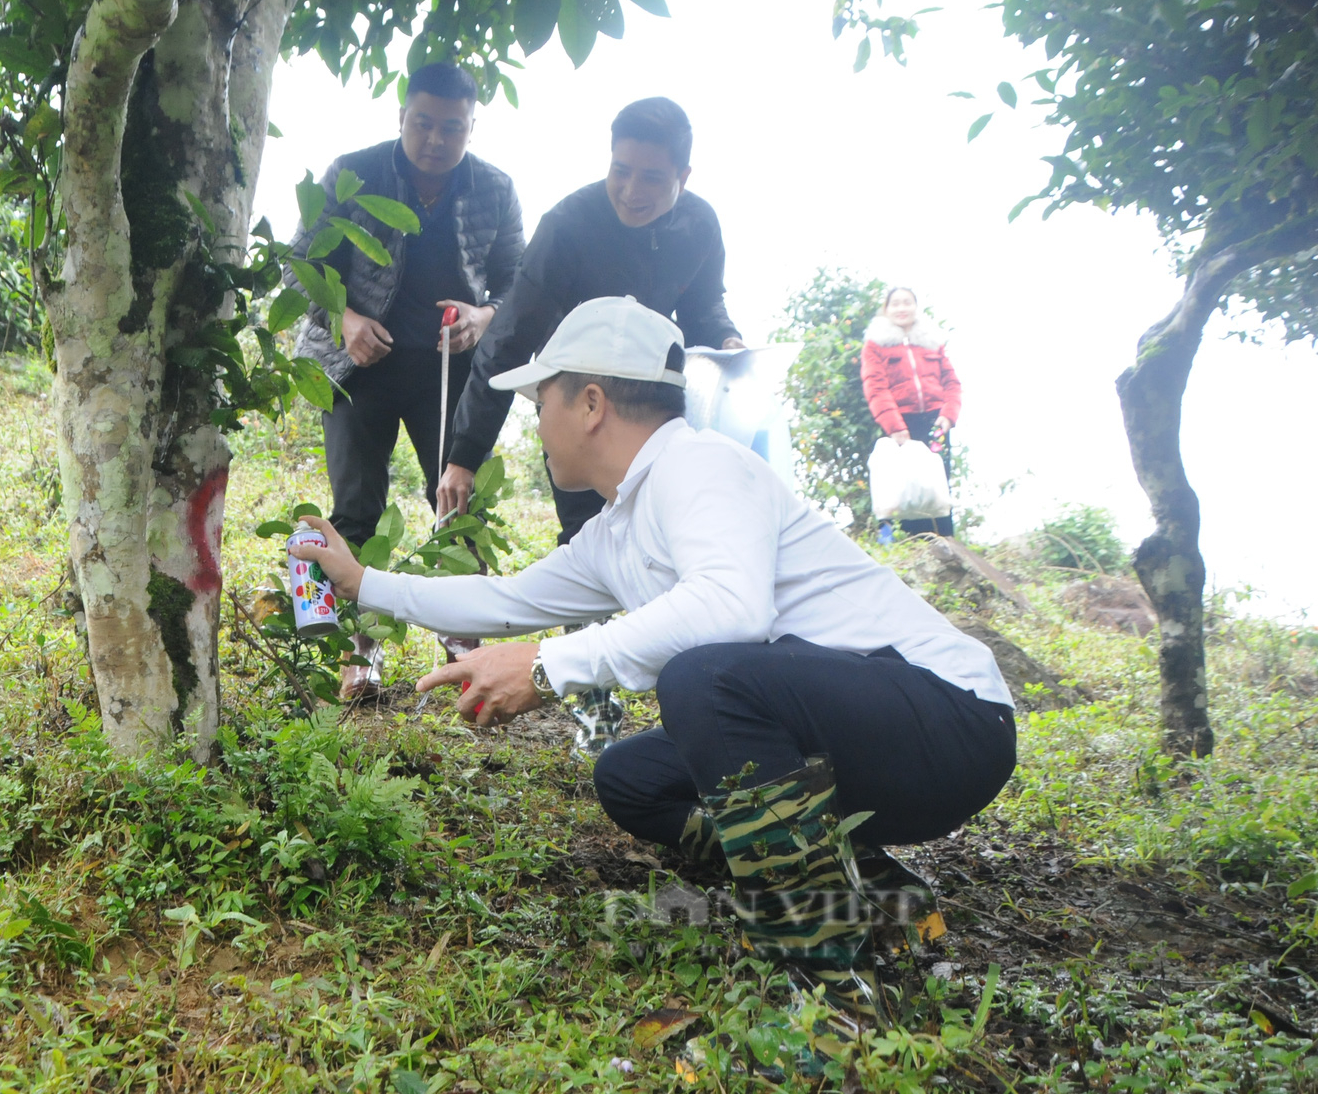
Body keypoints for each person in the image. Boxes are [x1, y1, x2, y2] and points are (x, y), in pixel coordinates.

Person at [291, 297, 1015, 1010]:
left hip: (948, 721)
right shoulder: (620, 526)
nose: (536, 424)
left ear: (591, 403)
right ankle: (866, 889)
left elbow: (730, 609)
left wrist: (547, 667)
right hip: (854, 736)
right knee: (633, 778)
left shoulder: (699, 467)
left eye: (542, 400)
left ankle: (822, 970)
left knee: (703, 678)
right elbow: (507, 600)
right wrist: (364, 584)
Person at [289, 61, 525, 697]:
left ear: (471, 128)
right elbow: (301, 268)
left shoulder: (495, 189)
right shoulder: (352, 172)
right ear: (401, 118)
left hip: (447, 371)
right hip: (355, 368)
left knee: (455, 504)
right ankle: (357, 650)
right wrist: (347, 320)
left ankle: (463, 643)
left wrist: (483, 315)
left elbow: (516, 283)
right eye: (423, 123)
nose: (436, 140)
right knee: (355, 509)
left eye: (453, 128)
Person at [438, 97, 745, 548]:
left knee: (663, 533)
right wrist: (464, 456)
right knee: (588, 538)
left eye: (652, 177)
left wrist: (727, 338)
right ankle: (587, 622)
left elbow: (703, 308)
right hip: (573, 398)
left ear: (683, 177)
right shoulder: (567, 227)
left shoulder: (699, 225)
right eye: (621, 170)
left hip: (650, 404)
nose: (631, 190)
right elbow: (508, 341)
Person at [859, 287, 961, 538]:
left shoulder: (931, 341)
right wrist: (895, 426)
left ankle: (945, 541)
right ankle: (907, 543)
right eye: (895, 304)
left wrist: (948, 415)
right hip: (901, 422)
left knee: (937, 483)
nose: (901, 308)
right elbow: (875, 387)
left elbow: (951, 382)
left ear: (916, 307)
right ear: (886, 309)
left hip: (936, 421)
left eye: (907, 303)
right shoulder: (875, 345)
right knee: (903, 484)